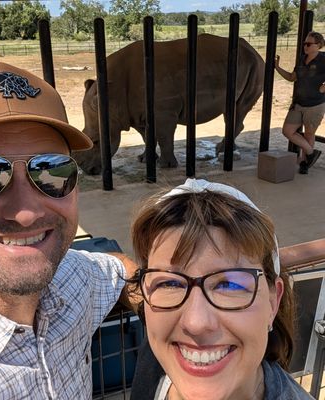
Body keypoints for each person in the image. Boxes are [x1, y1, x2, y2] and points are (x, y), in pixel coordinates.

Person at [0, 61, 135, 399]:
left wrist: (166, 310)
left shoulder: (72, 279)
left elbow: (122, 272)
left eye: (51, 171)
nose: (26, 213)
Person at [128, 179, 313, 400]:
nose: (196, 323)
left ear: (273, 303)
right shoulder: (155, 357)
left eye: (230, 285)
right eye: (170, 283)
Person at [275, 31, 325, 175]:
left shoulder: (323, 59)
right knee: (287, 131)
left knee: (309, 134)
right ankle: (310, 153)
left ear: (318, 45)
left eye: (309, 44)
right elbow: (292, 77)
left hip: (315, 105)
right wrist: (277, 67)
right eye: (304, 44)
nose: (305, 46)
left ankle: (304, 163)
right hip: (298, 103)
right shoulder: (302, 59)